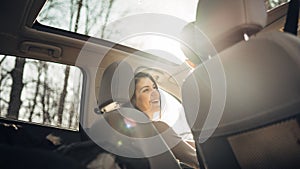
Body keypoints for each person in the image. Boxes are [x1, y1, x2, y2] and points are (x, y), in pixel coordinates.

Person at [129, 72, 199, 169]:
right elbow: (197, 161)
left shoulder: (129, 131)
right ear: (133, 99)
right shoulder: (158, 128)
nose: (154, 93)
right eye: (146, 90)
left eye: (154, 87)